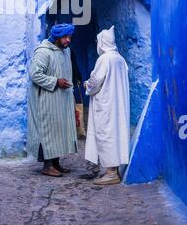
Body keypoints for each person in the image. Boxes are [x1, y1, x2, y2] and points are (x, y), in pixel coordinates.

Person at [27, 23, 78, 177]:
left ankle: (55, 163)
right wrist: (56, 82)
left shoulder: (65, 51)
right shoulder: (43, 52)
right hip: (47, 101)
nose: (68, 40)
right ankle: (47, 166)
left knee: (59, 132)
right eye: (65, 37)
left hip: (61, 100)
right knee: (48, 132)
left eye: (69, 37)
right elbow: (34, 74)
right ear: (56, 37)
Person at [83, 26, 130, 185]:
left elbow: (95, 82)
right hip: (117, 105)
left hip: (106, 105)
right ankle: (114, 169)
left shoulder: (104, 59)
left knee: (106, 136)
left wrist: (86, 85)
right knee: (115, 134)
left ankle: (111, 173)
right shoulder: (120, 59)